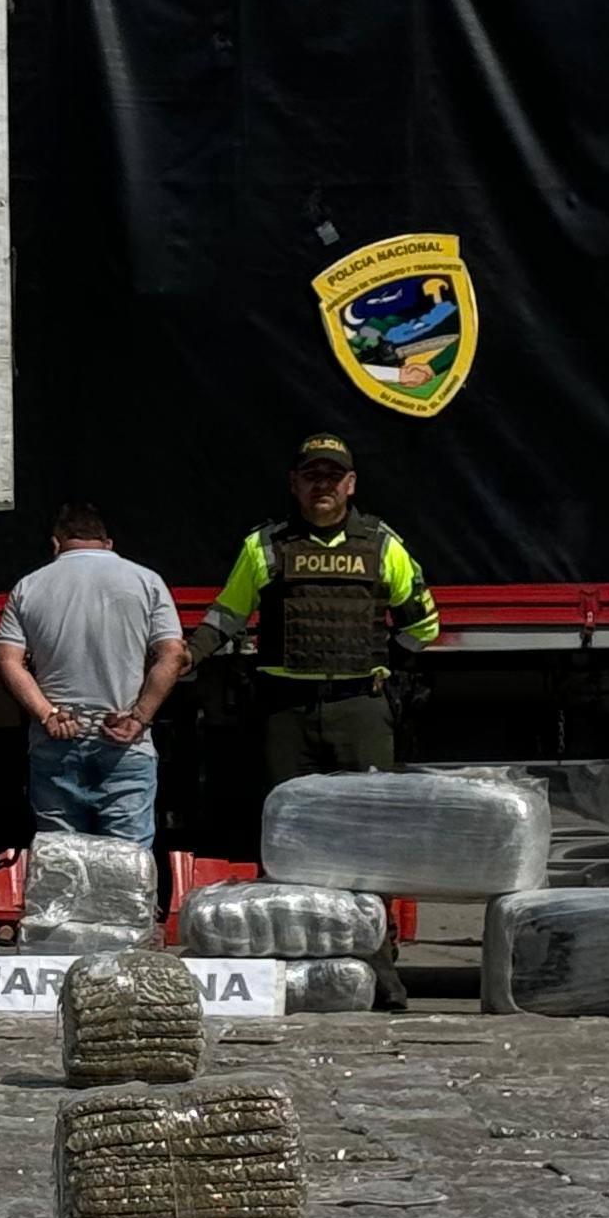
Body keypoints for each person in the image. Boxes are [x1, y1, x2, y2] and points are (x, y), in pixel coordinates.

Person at [180, 430, 442, 1004]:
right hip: (286, 714)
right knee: (288, 845)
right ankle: (295, 974)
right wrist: (188, 654)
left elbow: (424, 625)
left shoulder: (384, 545)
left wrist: (379, 667)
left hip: (359, 710)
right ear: (295, 484)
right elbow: (227, 613)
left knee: (369, 847)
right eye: (311, 476)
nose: (322, 486)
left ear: (350, 485)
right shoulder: (265, 547)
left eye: (333, 476)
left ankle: (381, 970)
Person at [0, 503, 185, 841]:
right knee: (128, 865)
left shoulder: (27, 587)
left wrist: (47, 713)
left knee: (63, 865)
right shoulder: (147, 581)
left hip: (56, 739)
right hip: (126, 742)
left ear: (56, 544)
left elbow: (7, 661)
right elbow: (172, 656)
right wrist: (139, 717)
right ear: (107, 543)